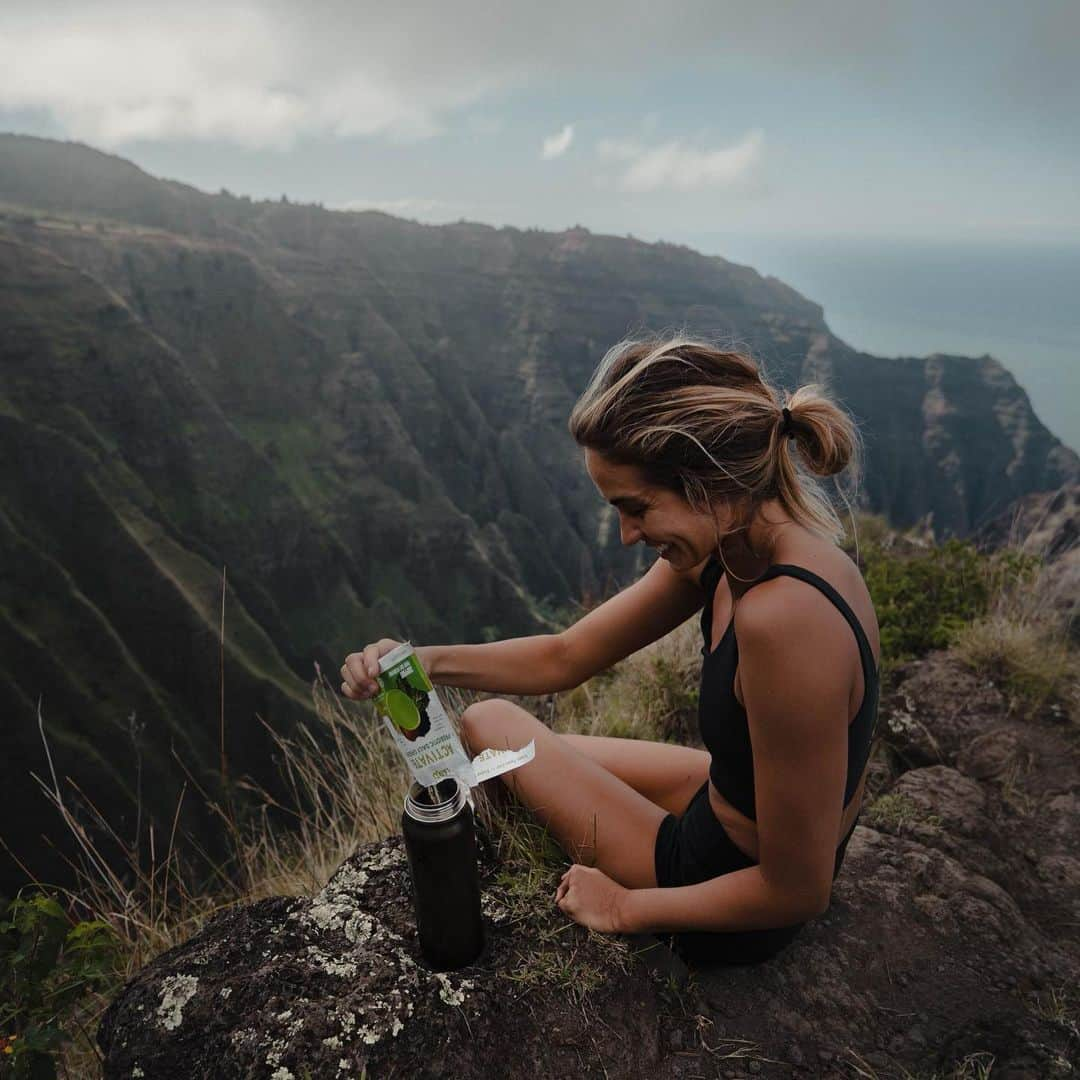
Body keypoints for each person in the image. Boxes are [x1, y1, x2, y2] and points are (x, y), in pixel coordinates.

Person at [341, 335, 880, 966]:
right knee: (498, 732)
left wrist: (624, 907)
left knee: (490, 726)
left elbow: (798, 889)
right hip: (724, 802)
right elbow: (564, 657)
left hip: (728, 887)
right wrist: (424, 660)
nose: (627, 535)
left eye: (636, 508)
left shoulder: (786, 619)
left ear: (704, 483)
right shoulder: (744, 549)